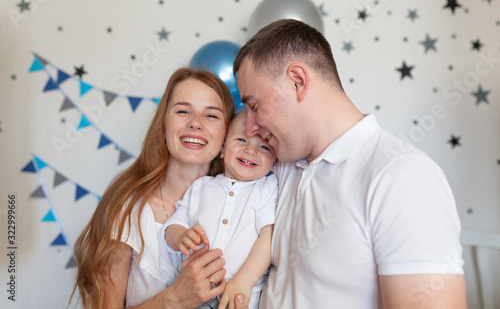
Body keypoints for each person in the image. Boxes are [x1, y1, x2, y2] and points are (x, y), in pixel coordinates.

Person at [231, 19, 467, 308]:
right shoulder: (280, 166)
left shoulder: (402, 177)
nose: (251, 127)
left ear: (298, 81)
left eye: (254, 106)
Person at [71, 67, 238, 308]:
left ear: (227, 135)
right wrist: (175, 298)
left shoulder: (239, 204)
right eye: (183, 111)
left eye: (211, 115)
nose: (195, 123)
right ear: (163, 126)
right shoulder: (128, 208)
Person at [164, 109, 278, 309]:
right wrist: (180, 236)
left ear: (274, 162)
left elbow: (268, 237)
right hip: (193, 293)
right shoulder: (201, 186)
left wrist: (244, 281)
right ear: (223, 148)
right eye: (242, 140)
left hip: (239, 298)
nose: (251, 151)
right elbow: (174, 223)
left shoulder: (266, 188)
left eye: (264, 147)